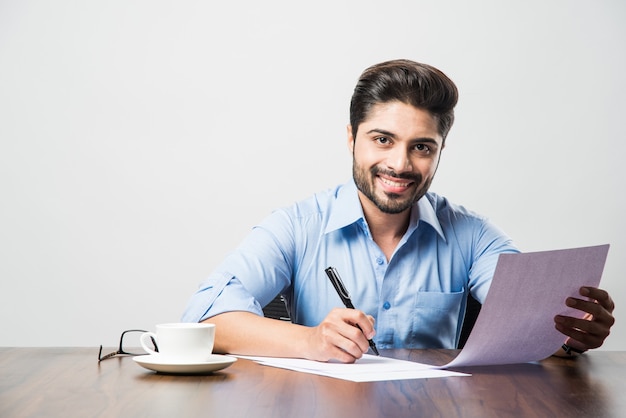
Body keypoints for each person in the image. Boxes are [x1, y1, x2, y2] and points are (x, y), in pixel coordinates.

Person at [182, 59, 615, 363]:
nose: (401, 165)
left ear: (440, 151)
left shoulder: (472, 235)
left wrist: (571, 335)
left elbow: (526, 323)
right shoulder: (297, 226)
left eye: (422, 147)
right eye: (383, 139)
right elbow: (204, 317)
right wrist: (311, 340)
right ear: (352, 139)